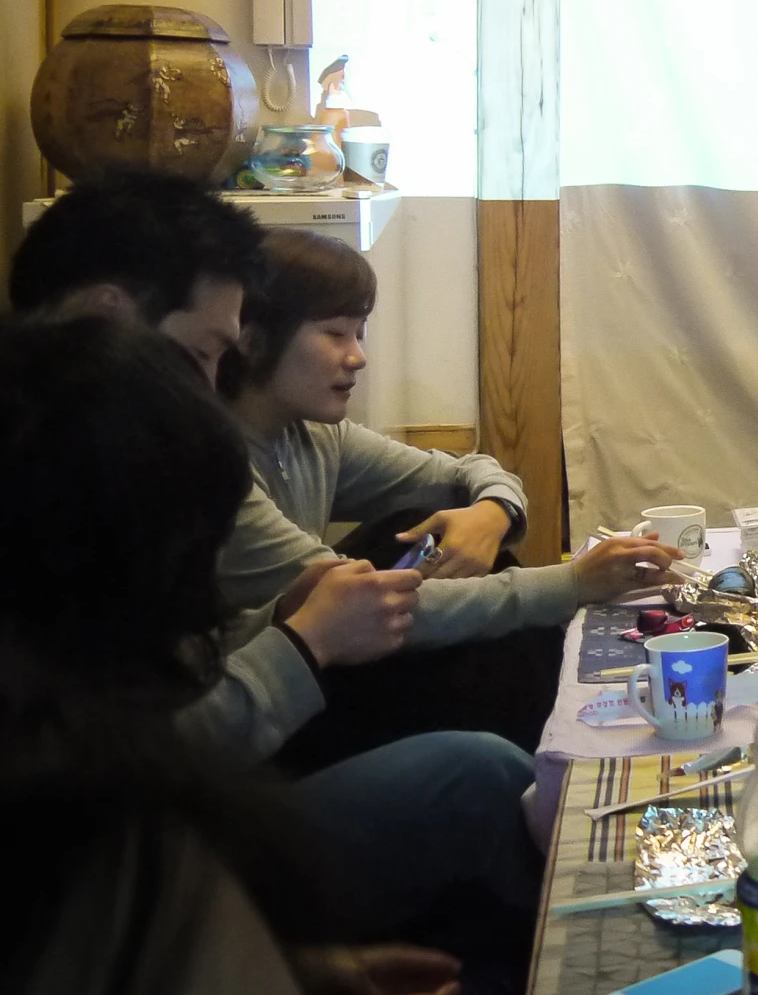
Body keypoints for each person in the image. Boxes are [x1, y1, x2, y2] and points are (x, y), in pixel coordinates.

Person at [10, 172, 678, 765]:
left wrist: (491, 512)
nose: (357, 356)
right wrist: (304, 635)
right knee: (480, 747)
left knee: (414, 536)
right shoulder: (157, 467)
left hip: (242, 726)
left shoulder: (287, 439)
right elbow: (145, 748)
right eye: (336, 332)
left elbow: (466, 470)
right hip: (221, 784)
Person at [0, 312, 463, 995]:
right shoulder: (103, 821)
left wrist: (311, 971)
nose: (357, 357)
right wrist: (305, 641)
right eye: (208, 350)